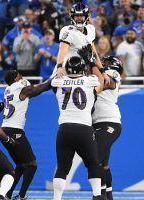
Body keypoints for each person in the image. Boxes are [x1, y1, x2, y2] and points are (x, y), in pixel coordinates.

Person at [0, 70, 52, 200]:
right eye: (19, 75)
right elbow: (37, 90)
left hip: (6, 129)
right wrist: (53, 81)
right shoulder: (18, 87)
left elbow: (31, 90)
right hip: (15, 131)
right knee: (32, 165)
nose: (22, 77)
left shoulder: (8, 89)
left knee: (20, 166)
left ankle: (3, 194)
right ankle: (21, 196)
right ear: (16, 79)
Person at [51, 56, 104, 200]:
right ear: (83, 68)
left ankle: (57, 198)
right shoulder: (90, 80)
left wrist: (59, 67)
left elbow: (52, 81)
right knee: (93, 164)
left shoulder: (58, 82)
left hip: (65, 128)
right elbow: (102, 82)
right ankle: (97, 195)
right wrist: (93, 63)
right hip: (84, 129)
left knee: (62, 168)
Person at [54, 2, 110, 85]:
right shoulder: (67, 31)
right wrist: (59, 67)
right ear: (72, 17)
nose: (79, 18)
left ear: (86, 17)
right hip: (66, 70)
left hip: (82, 71)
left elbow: (94, 54)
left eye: (81, 15)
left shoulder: (91, 29)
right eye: (76, 16)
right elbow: (62, 50)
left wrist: (103, 71)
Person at [92, 56, 123, 200]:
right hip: (96, 123)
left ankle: (99, 195)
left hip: (109, 122)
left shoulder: (113, 74)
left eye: (107, 62)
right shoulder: (100, 73)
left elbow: (105, 82)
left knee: (95, 158)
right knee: (103, 163)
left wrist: (93, 67)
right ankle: (108, 195)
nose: (103, 63)